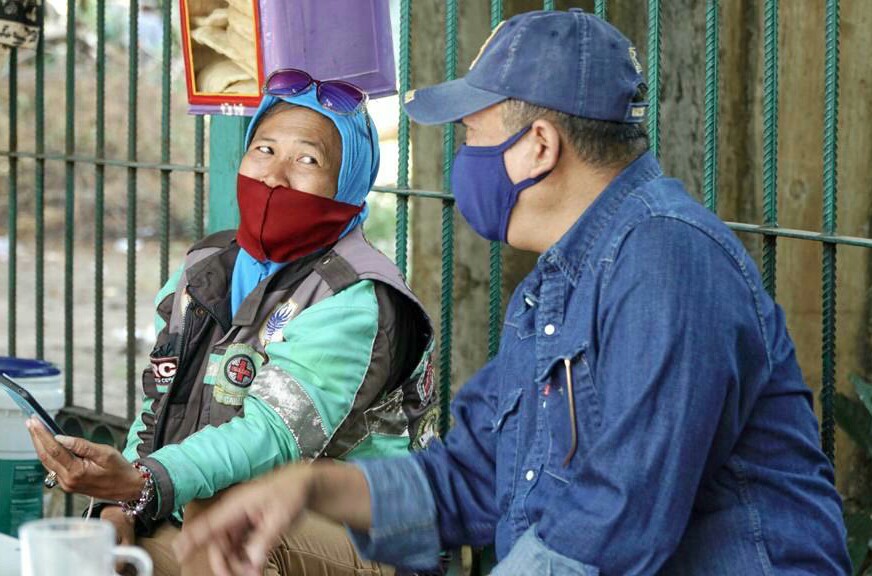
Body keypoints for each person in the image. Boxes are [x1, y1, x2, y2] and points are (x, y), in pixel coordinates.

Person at [174, 10, 852, 576]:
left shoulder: (667, 260)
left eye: (472, 134)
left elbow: (616, 526)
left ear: (539, 147)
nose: (462, 158)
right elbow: (469, 476)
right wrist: (312, 488)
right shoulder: (556, 286)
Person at [26, 68, 437, 576]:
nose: (274, 175)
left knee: (221, 513)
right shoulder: (206, 266)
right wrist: (118, 507)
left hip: (366, 538)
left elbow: (270, 437)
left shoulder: (357, 297)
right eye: (264, 149)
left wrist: (144, 483)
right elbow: (161, 404)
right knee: (100, 560)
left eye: (306, 159)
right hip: (211, 513)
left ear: (349, 184)